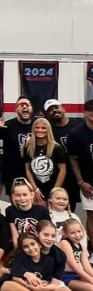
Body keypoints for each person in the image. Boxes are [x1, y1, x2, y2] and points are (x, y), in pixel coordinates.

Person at [0, 95, 33, 196]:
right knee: (16, 203)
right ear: (16, 109)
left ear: (31, 108)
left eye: (27, 105)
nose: (25, 107)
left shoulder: (38, 126)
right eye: (21, 105)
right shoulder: (7, 126)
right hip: (12, 173)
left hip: (33, 172)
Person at [66, 98, 93, 246]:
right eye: (91, 110)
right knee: (92, 215)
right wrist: (81, 182)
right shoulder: (76, 134)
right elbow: (73, 159)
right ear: (85, 113)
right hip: (89, 182)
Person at [23, 117, 66, 202]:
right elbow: (28, 170)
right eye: (37, 127)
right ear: (33, 129)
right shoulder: (28, 148)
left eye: (43, 128)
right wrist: (35, 189)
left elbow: (62, 171)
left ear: (48, 130)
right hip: (35, 187)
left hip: (53, 186)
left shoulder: (57, 148)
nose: (40, 130)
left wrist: (55, 191)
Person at [57, 219, 93, 291]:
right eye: (72, 233)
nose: (77, 235)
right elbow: (74, 266)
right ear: (65, 234)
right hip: (65, 277)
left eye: (79, 231)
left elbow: (87, 266)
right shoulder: (64, 243)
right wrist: (91, 280)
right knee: (92, 289)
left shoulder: (82, 247)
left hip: (78, 275)